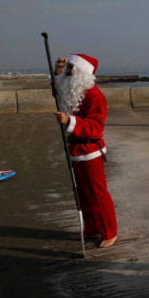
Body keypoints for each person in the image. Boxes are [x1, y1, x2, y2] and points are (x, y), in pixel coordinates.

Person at [53, 53, 118, 248]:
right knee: (82, 192)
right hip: (75, 148)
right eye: (68, 68)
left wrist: (70, 121)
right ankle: (91, 228)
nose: (69, 71)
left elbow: (96, 125)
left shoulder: (95, 95)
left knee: (97, 192)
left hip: (90, 149)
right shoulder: (76, 89)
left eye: (72, 68)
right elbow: (59, 91)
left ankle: (109, 231)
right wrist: (57, 70)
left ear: (83, 72)